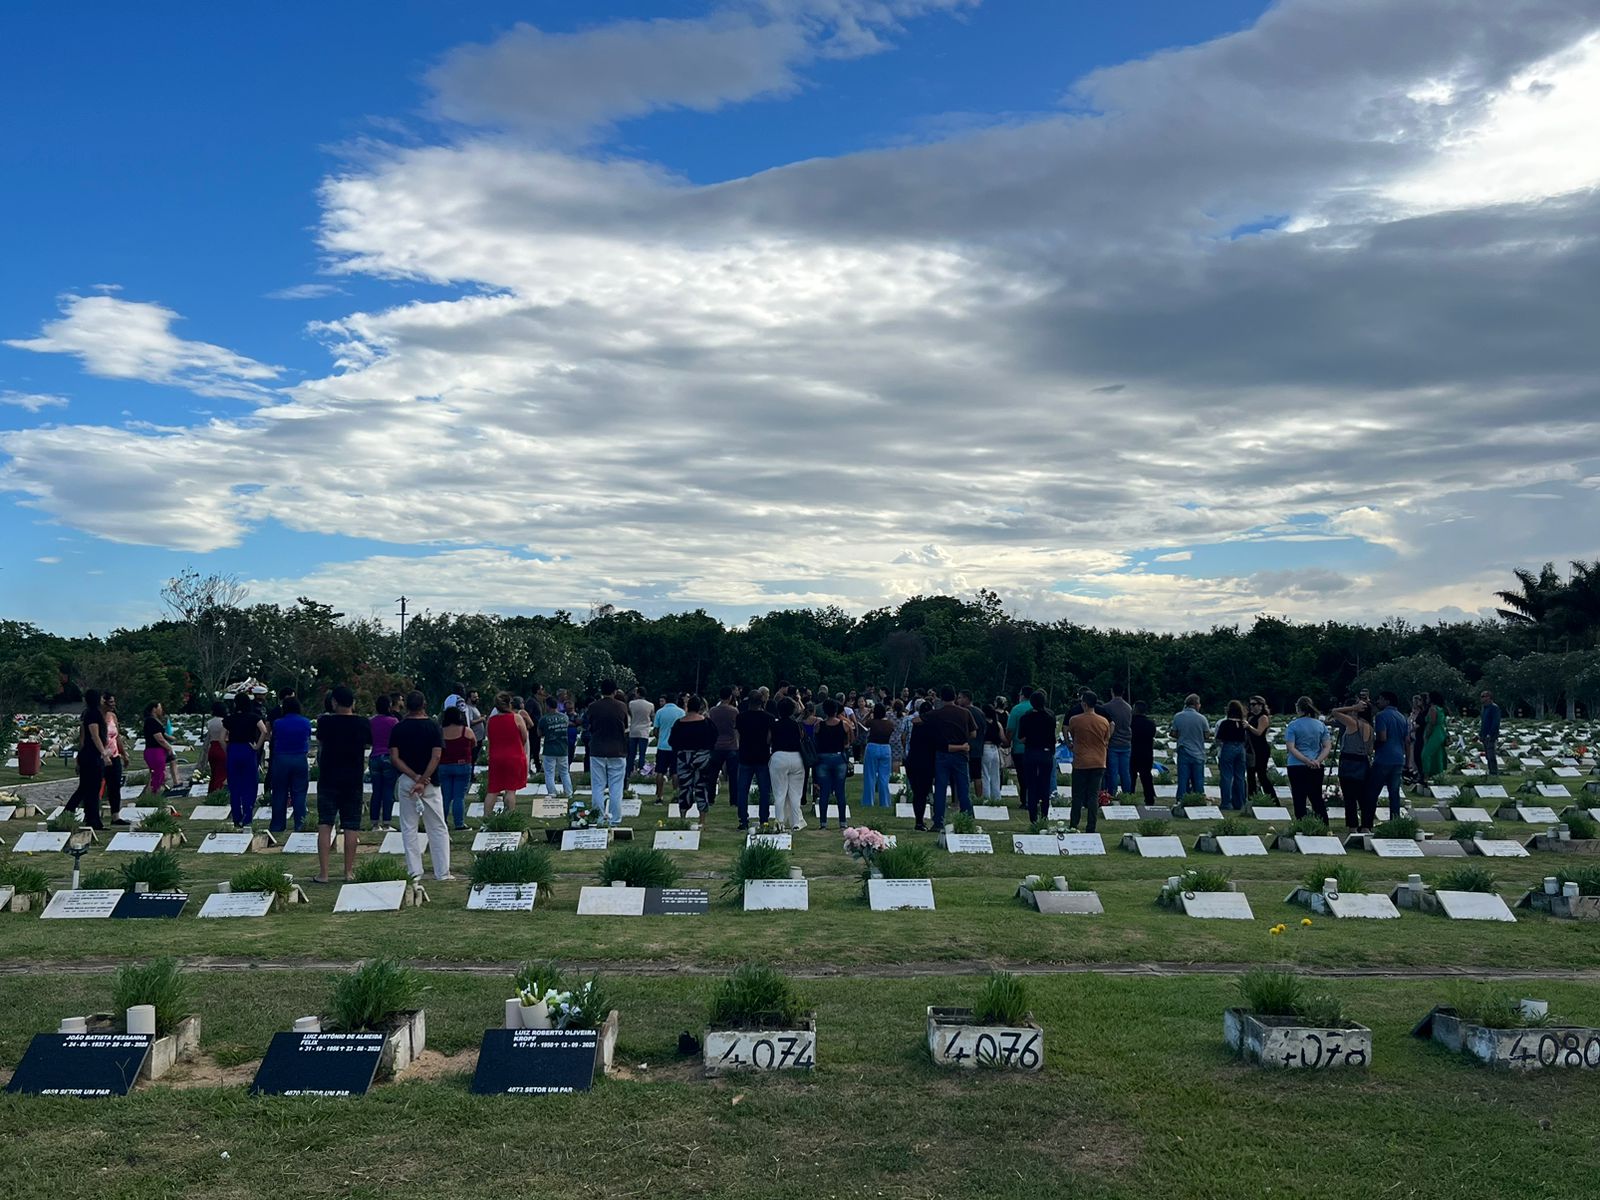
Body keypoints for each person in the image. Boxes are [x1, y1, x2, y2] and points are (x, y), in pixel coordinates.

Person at [389, 691, 452, 881]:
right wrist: (424, 779)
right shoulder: (433, 726)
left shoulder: (398, 728)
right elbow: (436, 756)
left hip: (407, 780)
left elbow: (395, 758)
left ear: (407, 705)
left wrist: (414, 777)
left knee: (409, 827)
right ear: (424, 704)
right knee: (437, 826)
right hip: (430, 782)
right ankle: (442, 872)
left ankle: (414, 872)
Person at [314, 685, 370, 883]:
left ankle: (324, 873)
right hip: (353, 779)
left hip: (328, 778)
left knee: (325, 824)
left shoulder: (325, 721)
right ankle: (348, 872)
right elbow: (368, 742)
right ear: (353, 702)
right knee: (351, 826)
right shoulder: (362, 723)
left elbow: (320, 742)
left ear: (334, 702)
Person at [926, 685, 978, 827]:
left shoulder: (937, 714)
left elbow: (920, 720)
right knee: (963, 788)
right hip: (961, 754)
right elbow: (974, 733)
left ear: (941, 698)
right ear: (955, 697)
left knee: (940, 789)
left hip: (942, 754)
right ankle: (967, 820)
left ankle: (938, 821)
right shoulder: (965, 713)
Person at [63, 688, 112, 830]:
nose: (103, 700)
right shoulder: (93, 714)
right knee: (90, 788)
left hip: (89, 755)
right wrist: (104, 753)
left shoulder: (91, 713)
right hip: (92, 756)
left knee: (87, 788)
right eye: (101, 698)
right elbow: (94, 735)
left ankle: (88, 818)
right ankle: (89, 818)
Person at [586, 680, 630, 825]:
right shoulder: (622, 706)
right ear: (615, 691)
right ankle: (615, 819)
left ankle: (598, 818)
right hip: (617, 750)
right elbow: (625, 727)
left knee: (598, 786)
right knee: (616, 787)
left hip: (597, 749)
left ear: (601, 691)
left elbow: (590, 726)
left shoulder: (593, 707)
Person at [1065, 691, 1110, 832]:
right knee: (1093, 795)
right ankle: (1091, 826)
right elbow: (1106, 739)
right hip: (1099, 761)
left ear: (1084, 704)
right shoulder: (1104, 721)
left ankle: (1074, 824)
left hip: (1081, 762)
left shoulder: (1075, 720)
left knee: (1077, 795)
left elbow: (1073, 735)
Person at [268, 696, 313, 833]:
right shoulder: (305, 722)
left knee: (279, 793)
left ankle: (277, 826)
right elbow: (308, 737)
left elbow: (273, 738)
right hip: (299, 758)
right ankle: (300, 824)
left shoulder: (278, 723)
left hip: (281, 758)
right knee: (299, 793)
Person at [1329, 698, 1374, 832]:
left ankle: (1353, 826)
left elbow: (1334, 712)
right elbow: (1370, 750)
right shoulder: (1370, 727)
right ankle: (1366, 826)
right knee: (1363, 797)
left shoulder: (1353, 723)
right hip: (1364, 762)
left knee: (1350, 798)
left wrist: (1353, 707)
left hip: (1349, 762)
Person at [1283, 696, 1331, 821]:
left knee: (1299, 798)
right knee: (1316, 798)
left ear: (1298, 708)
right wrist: (1318, 760)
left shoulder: (1293, 725)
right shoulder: (1320, 725)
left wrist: (1305, 760)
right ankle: (1323, 824)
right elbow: (1327, 746)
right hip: (1316, 765)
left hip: (1296, 765)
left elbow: (1291, 747)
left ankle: (1301, 825)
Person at [223, 691, 266, 829]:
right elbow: (264, 731)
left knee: (234, 786)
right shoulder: (254, 717)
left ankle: (237, 817)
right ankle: (247, 817)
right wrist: (257, 746)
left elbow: (222, 737)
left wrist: (227, 749)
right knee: (250, 784)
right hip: (248, 749)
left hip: (233, 750)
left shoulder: (230, 718)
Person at [1366, 691, 1409, 826]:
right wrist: (1407, 761)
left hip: (1384, 758)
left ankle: (1367, 823)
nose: (1378, 702)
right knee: (1394, 793)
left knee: (1373, 792)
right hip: (1398, 758)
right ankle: (1395, 823)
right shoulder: (1402, 717)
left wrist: (1372, 747)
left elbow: (1382, 737)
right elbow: (1407, 740)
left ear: (1387, 701)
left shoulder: (1381, 716)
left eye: (1380, 699)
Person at [733, 695, 776, 828]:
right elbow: (769, 738)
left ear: (749, 702)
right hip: (762, 756)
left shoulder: (741, 717)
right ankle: (764, 820)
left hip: (745, 756)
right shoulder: (769, 717)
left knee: (742, 790)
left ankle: (743, 820)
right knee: (764, 790)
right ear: (762, 703)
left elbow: (737, 736)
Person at [670, 695, 717, 816]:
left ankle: (683, 816)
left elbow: (672, 742)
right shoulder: (707, 723)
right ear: (699, 707)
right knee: (702, 786)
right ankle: (702, 819)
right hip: (702, 757)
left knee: (685, 787)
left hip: (684, 757)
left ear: (687, 707)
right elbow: (714, 738)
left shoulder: (679, 723)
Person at [1017, 692, 1057, 824]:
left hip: (1031, 752)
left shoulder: (1026, 717)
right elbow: (1052, 737)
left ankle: (1033, 818)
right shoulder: (1050, 717)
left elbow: (1021, 738)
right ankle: (1044, 816)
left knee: (1031, 785)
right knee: (1045, 785)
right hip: (1046, 753)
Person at [768, 695, 807, 831]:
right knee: (795, 794)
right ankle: (796, 822)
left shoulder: (774, 725)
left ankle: (780, 822)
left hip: (779, 757)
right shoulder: (797, 725)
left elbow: (768, 740)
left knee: (779, 793)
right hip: (796, 758)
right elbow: (801, 738)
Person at [486, 691, 528, 815]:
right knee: (510, 790)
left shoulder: (491, 720)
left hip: (496, 757)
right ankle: (509, 816)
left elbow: (489, 737)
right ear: (510, 704)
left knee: (493, 790)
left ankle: (486, 817)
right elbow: (524, 737)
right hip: (514, 756)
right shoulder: (516, 718)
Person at [438, 705, 477, 830]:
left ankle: (442, 821)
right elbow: (474, 743)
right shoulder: (466, 731)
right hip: (463, 765)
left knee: (445, 796)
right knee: (459, 796)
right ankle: (459, 823)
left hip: (444, 766)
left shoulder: (441, 731)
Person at [813, 699, 851, 828]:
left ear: (824, 711)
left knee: (824, 791)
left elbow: (815, 741)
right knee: (840, 791)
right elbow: (848, 743)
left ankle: (823, 822)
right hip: (839, 758)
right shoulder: (844, 725)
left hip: (823, 759)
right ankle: (842, 822)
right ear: (836, 711)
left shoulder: (819, 725)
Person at [368, 694, 400, 831]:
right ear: (389, 706)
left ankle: (374, 823)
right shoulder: (394, 721)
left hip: (374, 756)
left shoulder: (371, 721)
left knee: (376, 791)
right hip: (388, 756)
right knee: (388, 791)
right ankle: (386, 822)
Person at [906, 700, 938, 830]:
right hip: (927, 762)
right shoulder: (933, 727)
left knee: (917, 793)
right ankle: (922, 821)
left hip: (913, 760)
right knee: (923, 793)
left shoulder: (916, 725)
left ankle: (918, 821)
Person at [1170, 695, 1209, 799]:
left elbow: (1173, 733)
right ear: (1196, 704)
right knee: (1198, 780)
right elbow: (1206, 735)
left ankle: (1181, 799)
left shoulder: (1178, 716)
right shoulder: (1202, 718)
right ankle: (1198, 799)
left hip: (1183, 750)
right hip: (1198, 753)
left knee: (1183, 779)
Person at [706, 687, 740, 803]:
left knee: (712, 775)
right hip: (731, 746)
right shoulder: (734, 711)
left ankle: (710, 798)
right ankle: (734, 799)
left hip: (716, 746)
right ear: (730, 697)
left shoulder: (713, 711)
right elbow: (737, 728)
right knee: (733, 776)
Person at [1099, 684, 1134, 797]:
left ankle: (1111, 794)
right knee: (1125, 772)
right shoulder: (1128, 707)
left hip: (1113, 743)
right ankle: (1127, 794)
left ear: (1112, 691)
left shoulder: (1106, 707)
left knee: (1112, 772)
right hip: (1126, 743)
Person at [1005, 685, 1035, 816]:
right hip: (1036, 748)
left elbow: (1010, 729)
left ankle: (1024, 800)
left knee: (1022, 776)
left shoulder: (1016, 709)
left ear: (1022, 695)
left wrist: (1007, 742)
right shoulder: (1037, 708)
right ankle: (1033, 798)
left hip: (1019, 749)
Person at [1215, 700, 1250, 812]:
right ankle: (1240, 802)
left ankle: (1226, 803)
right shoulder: (1243, 723)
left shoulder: (1225, 723)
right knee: (1240, 777)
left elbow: (1218, 739)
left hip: (1228, 747)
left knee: (1226, 776)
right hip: (1241, 749)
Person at [652, 693, 686, 803]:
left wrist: (660, 738)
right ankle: (675, 795)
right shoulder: (681, 712)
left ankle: (659, 796)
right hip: (676, 746)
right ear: (676, 701)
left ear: (666, 700)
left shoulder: (660, 712)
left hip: (662, 746)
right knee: (675, 772)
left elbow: (655, 730)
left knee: (660, 771)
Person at [537, 696, 572, 799]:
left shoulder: (544, 719)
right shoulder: (565, 717)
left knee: (549, 773)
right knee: (564, 772)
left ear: (548, 706)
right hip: (563, 749)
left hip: (549, 749)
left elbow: (539, 733)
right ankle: (569, 793)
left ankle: (552, 793)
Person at [860, 705, 895, 808]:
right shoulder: (890, 724)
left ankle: (868, 802)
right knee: (884, 776)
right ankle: (885, 802)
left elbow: (862, 723)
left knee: (870, 775)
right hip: (886, 748)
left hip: (872, 746)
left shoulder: (872, 722)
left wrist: (868, 714)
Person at [1245, 697, 1277, 799]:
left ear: (1261, 706)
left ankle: (1273, 798)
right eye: (1250, 704)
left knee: (1261, 774)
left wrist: (1248, 726)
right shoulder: (1250, 717)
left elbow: (1259, 732)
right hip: (1251, 748)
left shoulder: (1263, 717)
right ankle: (1252, 798)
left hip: (1261, 749)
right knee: (1250, 775)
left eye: (1254, 704)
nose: (1251, 706)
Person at [1130, 700, 1158, 804]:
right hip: (1147, 753)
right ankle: (1149, 798)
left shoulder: (1130, 722)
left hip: (1133, 753)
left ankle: (1130, 797)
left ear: (1135, 709)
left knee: (1131, 777)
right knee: (1146, 777)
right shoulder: (1151, 723)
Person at [626, 688, 655, 781]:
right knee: (642, 754)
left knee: (632, 754)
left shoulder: (631, 704)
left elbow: (630, 714)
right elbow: (652, 716)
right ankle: (641, 771)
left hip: (633, 730)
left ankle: (629, 772)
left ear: (638, 693)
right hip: (644, 731)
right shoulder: (650, 705)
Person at [1421, 690, 1448, 782]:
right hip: (1440, 732)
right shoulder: (1440, 708)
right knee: (1437, 754)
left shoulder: (1432, 709)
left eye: (1428, 697)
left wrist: (1427, 735)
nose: (1427, 699)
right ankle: (1438, 774)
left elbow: (1432, 723)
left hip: (1434, 733)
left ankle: (1426, 775)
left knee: (1426, 754)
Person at [980, 704, 1005, 803]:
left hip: (985, 748)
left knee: (985, 774)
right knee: (995, 775)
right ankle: (997, 797)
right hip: (995, 749)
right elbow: (1002, 737)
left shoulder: (982, 724)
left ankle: (986, 798)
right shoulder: (997, 724)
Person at [205, 700, 228, 794]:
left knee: (214, 773)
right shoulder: (225, 722)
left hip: (213, 747)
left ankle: (211, 791)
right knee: (221, 774)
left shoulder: (210, 722)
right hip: (222, 747)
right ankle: (218, 793)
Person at [1479, 689, 1501, 777]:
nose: (1481, 699)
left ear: (1488, 697)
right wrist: (1481, 734)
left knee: (1491, 755)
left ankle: (1494, 772)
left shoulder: (1494, 708)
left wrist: (1490, 734)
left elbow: (1495, 722)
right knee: (1487, 755)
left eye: (1483, 697)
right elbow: (1483, 722)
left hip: (1491, 735)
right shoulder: (1484, 708)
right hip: (1484, 735)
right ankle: (1490, 771)